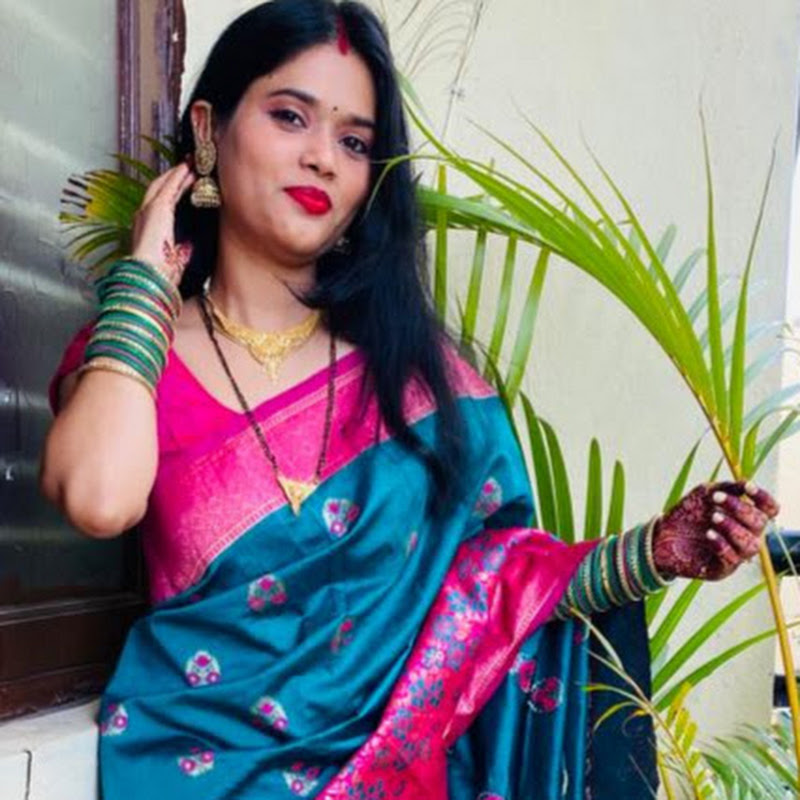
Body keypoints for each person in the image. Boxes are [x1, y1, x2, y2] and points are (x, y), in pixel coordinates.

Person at [40, 1, 779, 798]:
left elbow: (496, 589)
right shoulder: (133, 355)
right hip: (196, 772)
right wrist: (147, 280)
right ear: (209, 130)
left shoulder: (422, 385)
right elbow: (99, 499)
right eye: (291, 116)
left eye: (355, 142)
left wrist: (651, 554)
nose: (322, 158)